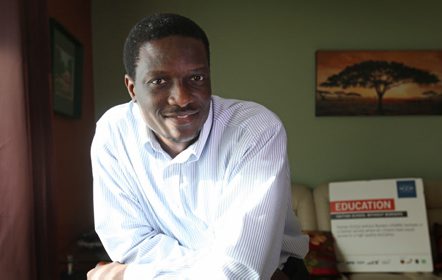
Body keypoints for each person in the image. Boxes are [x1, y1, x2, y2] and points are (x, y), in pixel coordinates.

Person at [88, 13, 309, 280]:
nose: (181, 99)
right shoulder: (113, 134)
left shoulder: (254, 129)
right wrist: (225, 265)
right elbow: (129, 244)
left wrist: (130, 276)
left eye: (196, 78)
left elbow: (240, 271)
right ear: (132, 89)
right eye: (159, 81)